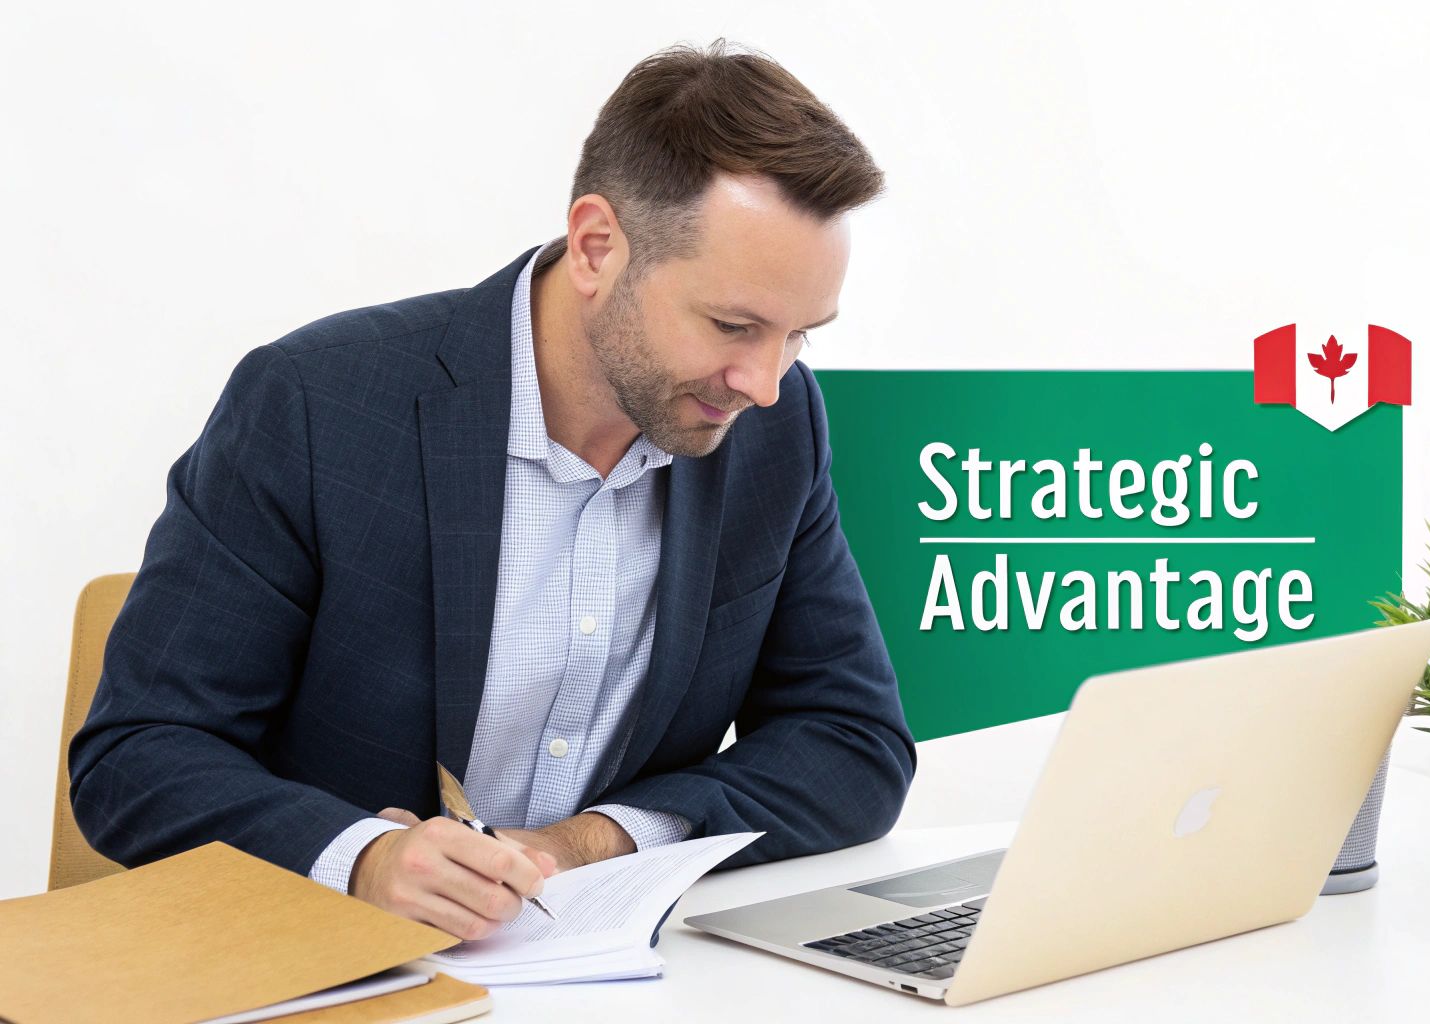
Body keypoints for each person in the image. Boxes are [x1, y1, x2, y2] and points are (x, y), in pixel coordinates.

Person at [68, 40, 915, 943]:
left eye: (800, 337)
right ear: (597, 247)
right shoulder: (317, 406)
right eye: (734, 325)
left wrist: (591, 843)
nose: (764, 382)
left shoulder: (775, 429)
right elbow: (137, 755)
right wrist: (363, 861)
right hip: (339, 972)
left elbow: (850, 742)